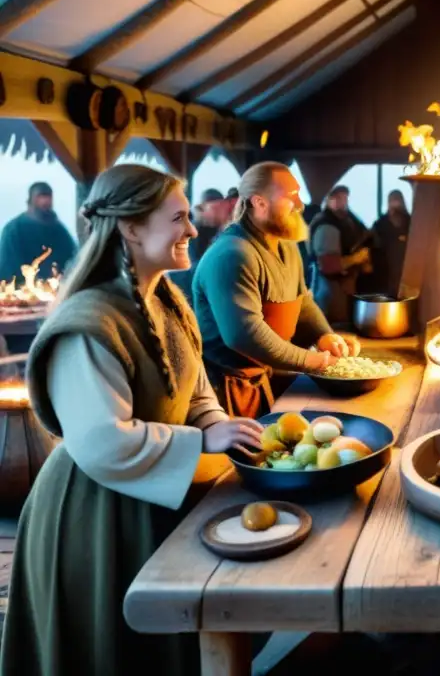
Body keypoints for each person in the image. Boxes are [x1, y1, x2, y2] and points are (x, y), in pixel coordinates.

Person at [0, 164, 264, 676]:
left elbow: (194, 389)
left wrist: (216, 425)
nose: (192, 230)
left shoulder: (167, 300)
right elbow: (102, 442)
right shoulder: (88, 323)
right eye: (179, 218)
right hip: (94, 517)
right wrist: (202, 442)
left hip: (157, 499)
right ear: (131, 227)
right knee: (110, 651)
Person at [192, 162, 358, 418]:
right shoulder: (233, 254)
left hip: (265, 379)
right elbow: (245, 336)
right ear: (259, 203)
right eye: (291, 196)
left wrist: (324, 336)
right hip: (222, 394)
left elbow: (301, 302)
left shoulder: (287, 247)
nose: (301, 205)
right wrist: (314, 361)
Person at [309, 185, 372, 326]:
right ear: (328, 199)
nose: (342, 201)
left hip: (346, 288)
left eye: (344, 197)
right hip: (331, 291)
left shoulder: (348, 220)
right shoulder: (327, 225)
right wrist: (356, 259)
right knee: (335, 329)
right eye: (337, 197)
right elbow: (328, 265)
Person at [0, 182, 77, 284]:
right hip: (22, 294)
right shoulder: (13, 230)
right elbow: (8, 270)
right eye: (40, 197)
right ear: (30, 201)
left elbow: (73, 261)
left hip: (57, 293)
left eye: (47, 197)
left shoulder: (60, 232)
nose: (44, 202)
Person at [371, 189, 411, 299]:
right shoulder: (380, 224)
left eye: (397, 201)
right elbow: (374, 247)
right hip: (385, 274)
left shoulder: (411, 223)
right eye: (392, 201)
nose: (395, 204)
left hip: (406, 272)